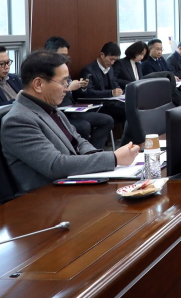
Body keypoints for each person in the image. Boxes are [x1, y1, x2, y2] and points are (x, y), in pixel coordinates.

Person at [0, 50, 139, 193]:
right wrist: (113, 158)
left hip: (72, 185)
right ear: (38, 84)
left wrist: (102, 159)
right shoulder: (17, 121)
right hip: (47, 197)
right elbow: (55, 165)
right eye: (63, 81)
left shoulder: (51, 109)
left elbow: (79, 141)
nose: (67, 87)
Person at [44, 37, 114, 149]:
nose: (65, 59)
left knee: (107, 120)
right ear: (50, 54)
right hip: (58, 112)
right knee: (84, 126)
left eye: (66, 56)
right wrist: (68, 88)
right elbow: (46, 96)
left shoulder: (63, 69)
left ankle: (93, 151)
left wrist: (81, 87)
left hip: (72, 109)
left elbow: (75, 96)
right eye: (62, 55)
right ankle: (81, 152)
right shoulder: (44, 72)